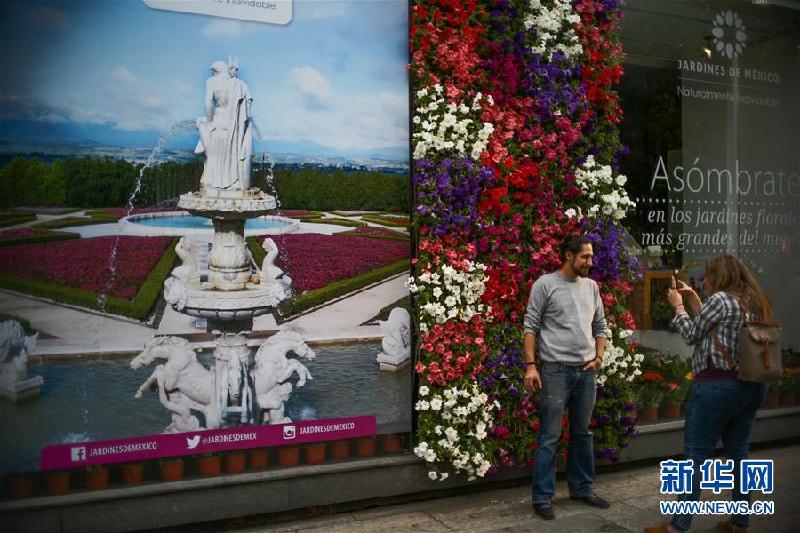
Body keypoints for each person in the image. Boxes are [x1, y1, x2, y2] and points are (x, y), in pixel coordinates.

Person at [645, 255, 774, 533]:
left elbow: (693, 335)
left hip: (717, 387)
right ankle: (740, 523)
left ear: (720, 276)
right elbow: (716, 329)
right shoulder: (753, 299)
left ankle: (677, 527)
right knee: (739, 454)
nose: (704, 280)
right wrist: (692, 299)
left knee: (695, 458)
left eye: (708, 275)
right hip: (752, 386)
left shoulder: (720, 300)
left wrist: (678, 308)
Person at [523, 234, 611, 520]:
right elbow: (530, 327)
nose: (590, 261)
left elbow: (600, 325)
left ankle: (582, 489)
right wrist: (531, 366)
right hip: (555, 369)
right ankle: (542, 497)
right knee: (550, 435)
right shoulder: (545, 285)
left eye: (591, 256)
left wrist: (598, 357)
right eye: (585, 256)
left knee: (582, 433)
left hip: (586, 372)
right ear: (568, 256)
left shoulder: (592, 287)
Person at [195, 58, 254, 190]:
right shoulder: (239, 84)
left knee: (215, 154)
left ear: (215, 72)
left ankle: (212, 180)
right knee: (231, 154)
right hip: (234, 125)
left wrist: (209, 120)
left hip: (219, 119)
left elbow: (208, 103)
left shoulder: (212, 82)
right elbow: (247, 104)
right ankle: (234, 181)